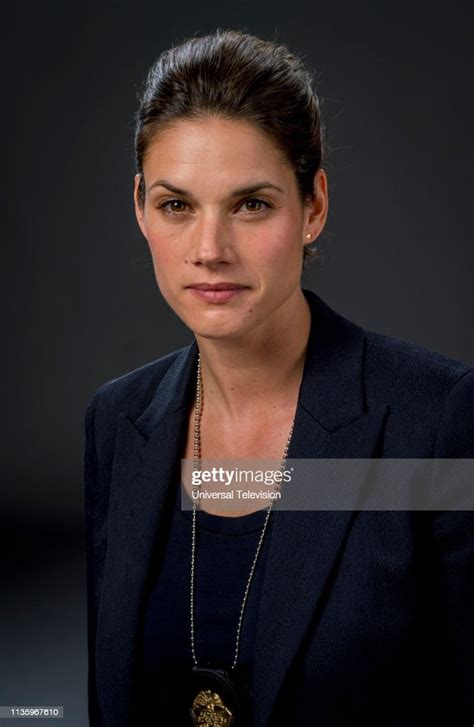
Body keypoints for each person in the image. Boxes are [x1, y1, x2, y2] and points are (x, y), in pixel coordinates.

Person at [83, 29, 473, 727]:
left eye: (251, 204)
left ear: (313, 206)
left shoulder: (437, 419)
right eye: (178, 205)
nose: (209, 249)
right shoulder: (117, 423)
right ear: (140, 206)